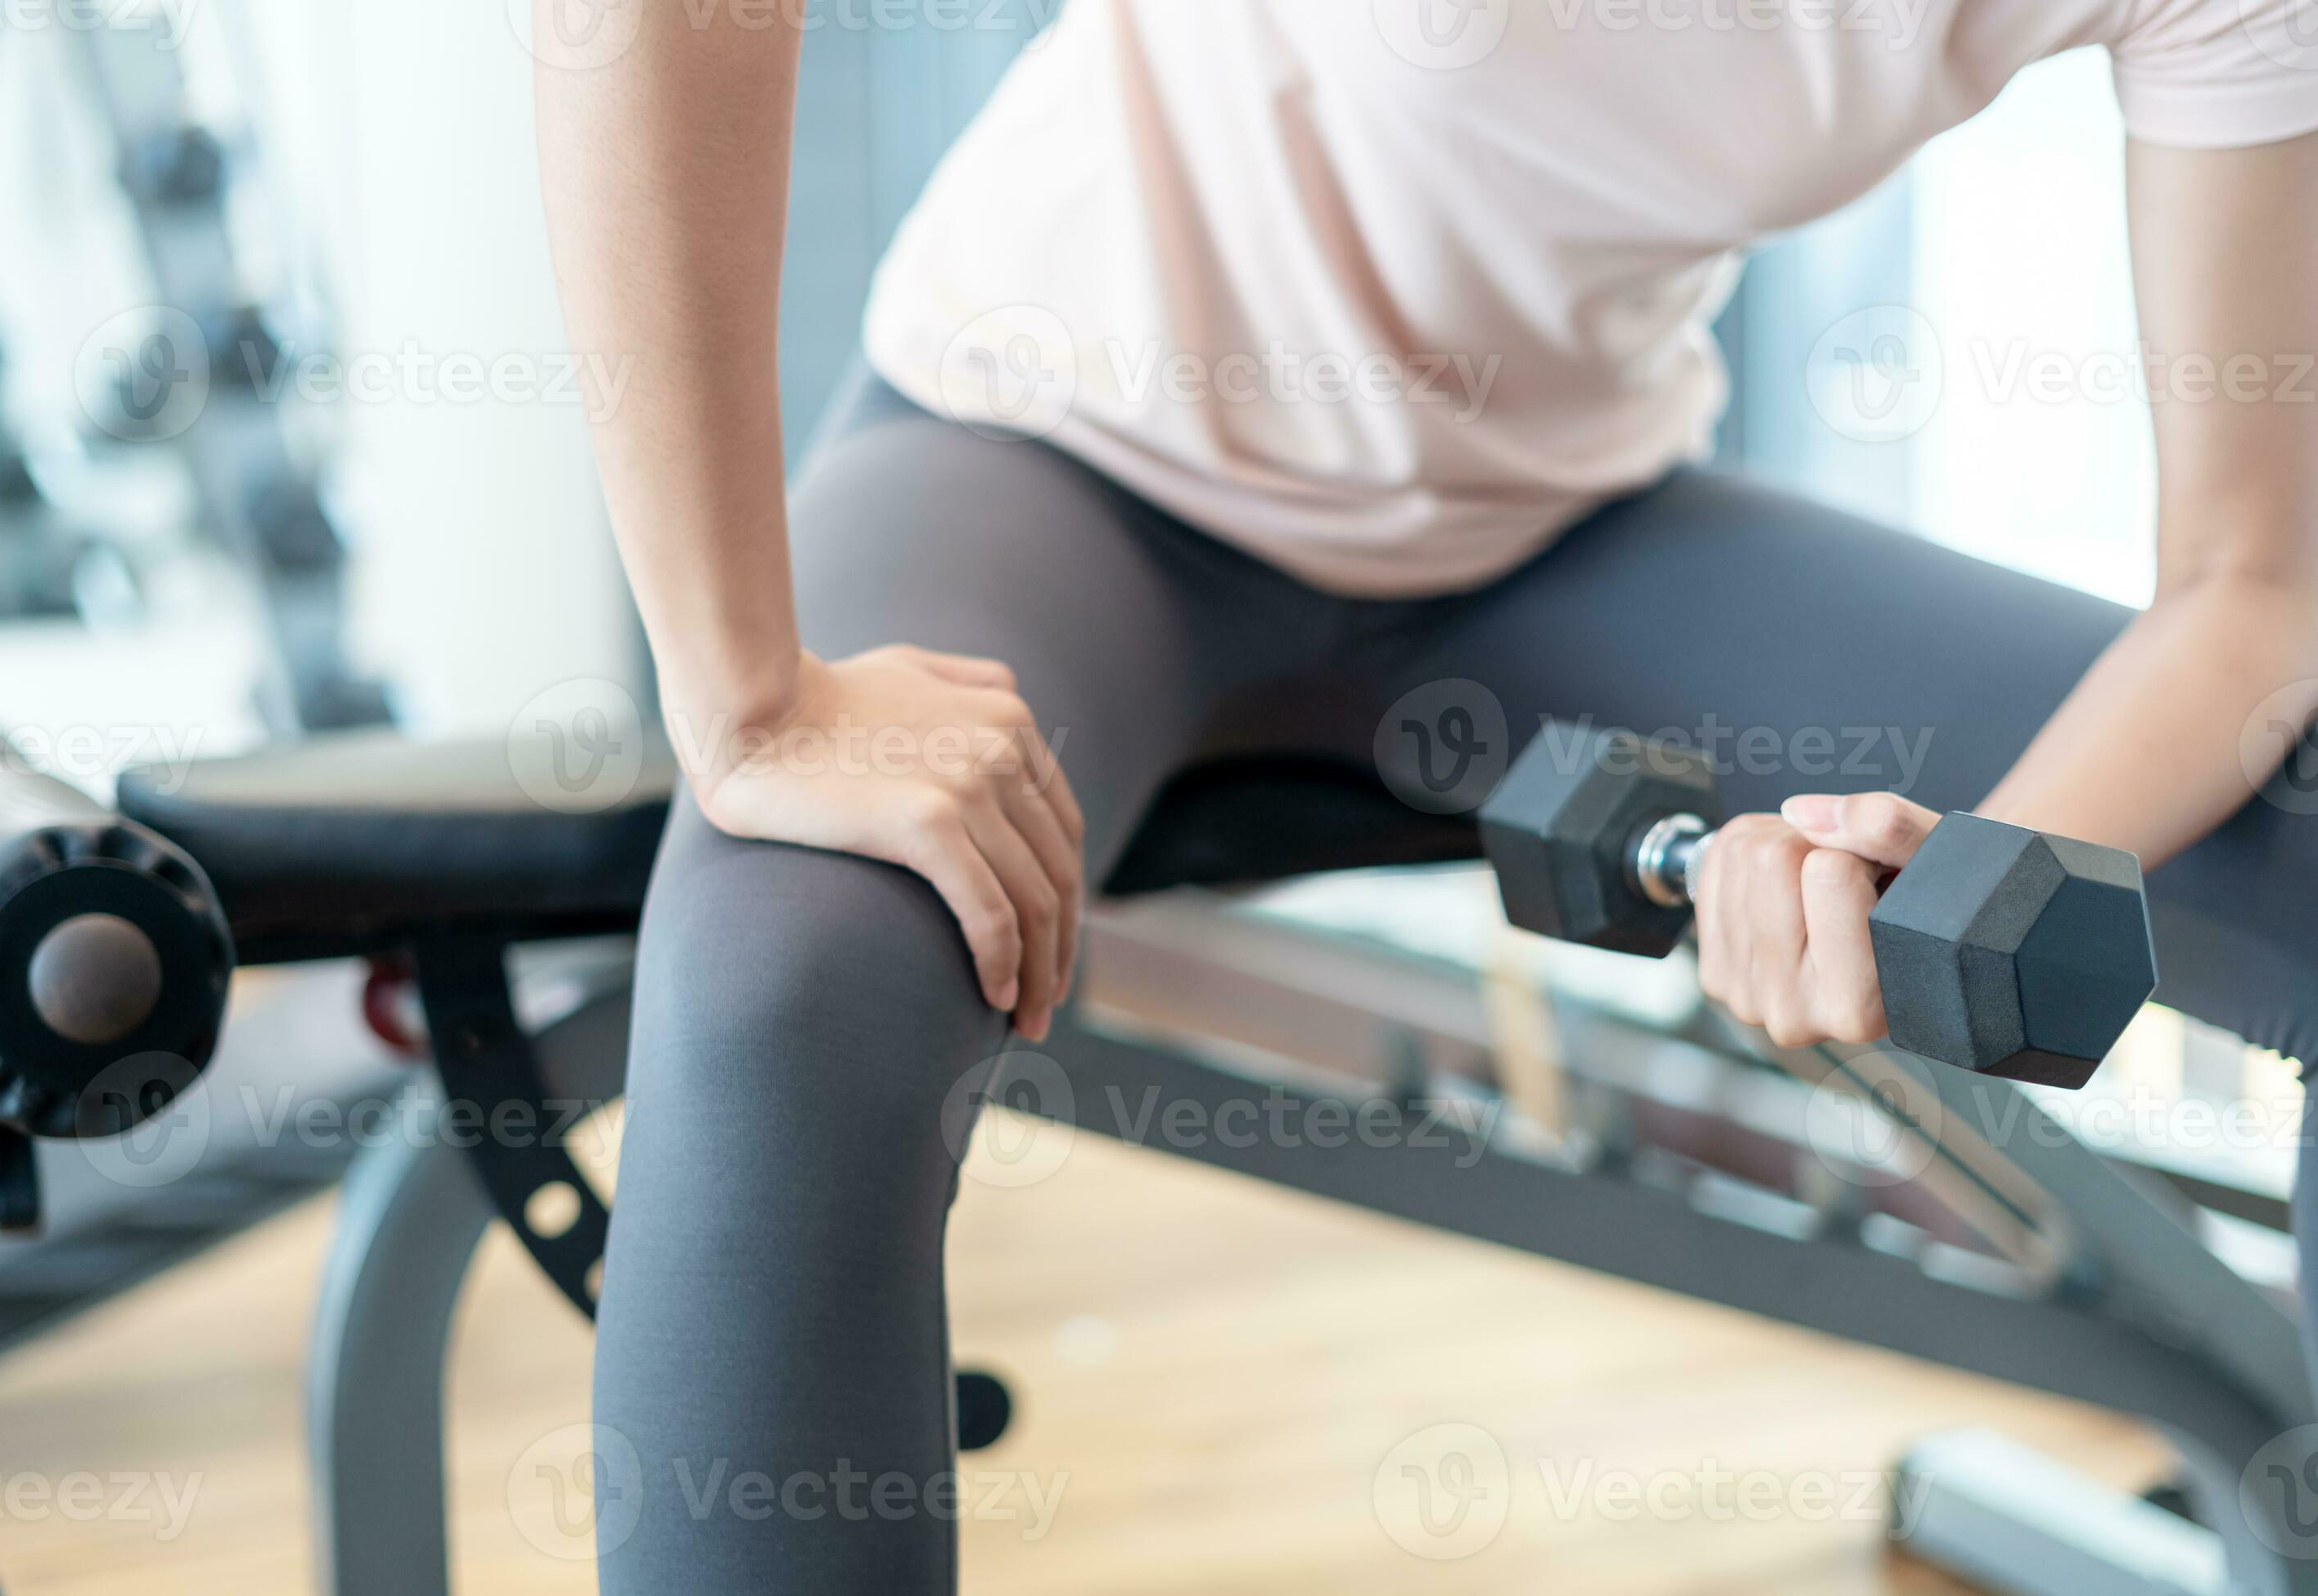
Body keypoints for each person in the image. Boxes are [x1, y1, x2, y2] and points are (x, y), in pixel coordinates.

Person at [531, 2, 2318, 1587]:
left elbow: (2259, 576)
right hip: (1052, 453)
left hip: (1556, 524)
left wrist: (1969, 866)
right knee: (800, 976)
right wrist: (746, 688)